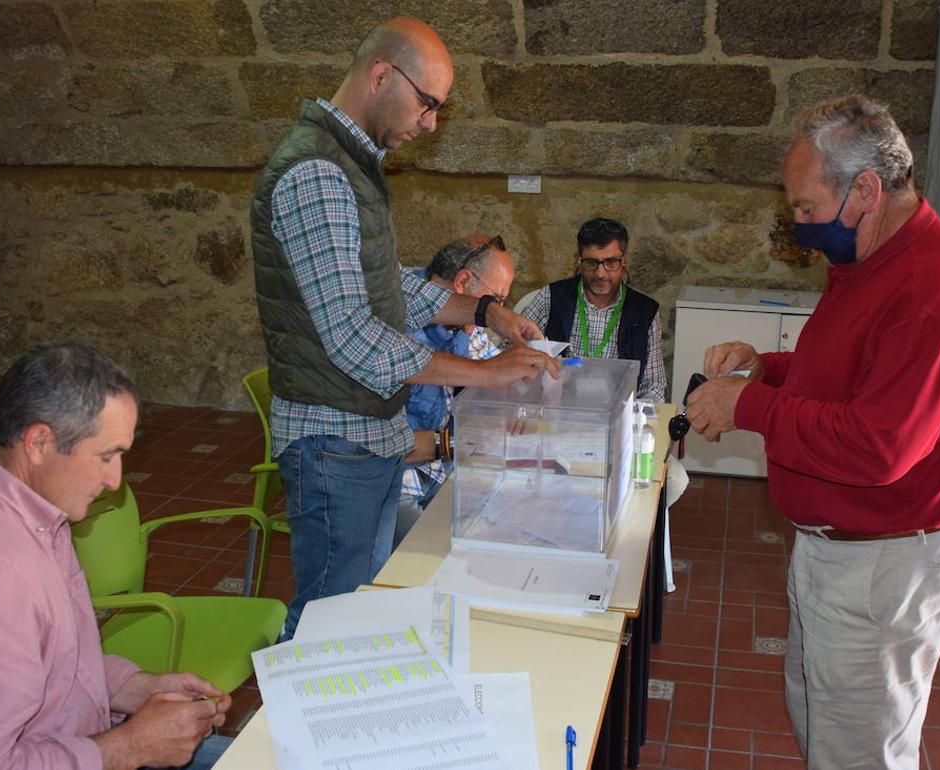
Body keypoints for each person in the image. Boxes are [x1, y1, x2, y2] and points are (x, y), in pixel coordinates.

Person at [685, 95, 940, 769]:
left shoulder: (931, 290)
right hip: (846, 549)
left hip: (891, 559)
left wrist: (750, 407)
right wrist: (765, 369)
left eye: (805, 208)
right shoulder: (871, 257)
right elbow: (850, 374)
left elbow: (877, 445)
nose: (798, 225)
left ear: (866, 190)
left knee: (860, 751)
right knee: (822, 716)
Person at [249, 17, 557, 639]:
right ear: (381, 75)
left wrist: (486, 312)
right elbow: (355, 337)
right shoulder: (317, 173)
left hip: (368, 432)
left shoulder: (352, 168)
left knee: (360, 604)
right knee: (329, 618)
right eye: (428, 104)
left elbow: (388, 288)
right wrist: (485, 374)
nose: (430, 124)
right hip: (336, 436)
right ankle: (292, 728)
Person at [0, 342, 233, 770]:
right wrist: (132, 746)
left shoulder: (9, 499)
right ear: (37, 442)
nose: (114, 481)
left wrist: (136, 687)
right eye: (106, 457)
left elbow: (50, 659)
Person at [397, 234, 513, 545]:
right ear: (462, 282)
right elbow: (389, 444)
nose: (498, 313)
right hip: (397, 487)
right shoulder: (396, 320)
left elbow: (495, 370)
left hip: (445, 473)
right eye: (496, 301)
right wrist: (451, 443)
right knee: (434, 557)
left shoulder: (464, 324)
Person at [520, 217, 668, 401]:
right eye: (591, 263)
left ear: (624, 261)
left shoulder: (645, 312)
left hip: (617, 413)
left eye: (611, 262)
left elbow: (653, 386)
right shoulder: (551, 297)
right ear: (579, 261)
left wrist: (636, 419)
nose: (600, 273)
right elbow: (511, 352)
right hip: (557, 411)